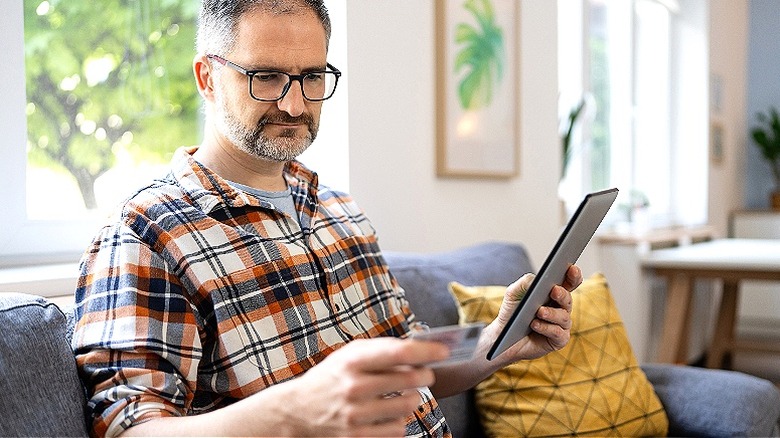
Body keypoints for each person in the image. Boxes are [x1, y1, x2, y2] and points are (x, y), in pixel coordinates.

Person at [72, 1, 582, 437]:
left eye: (311, 77)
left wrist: (499, 341)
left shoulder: (340, 209)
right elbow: (129, 428)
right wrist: (294, 412)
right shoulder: (146, 233)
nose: (294, 104)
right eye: (265, 77)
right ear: (207, 77)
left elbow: (409, 364)